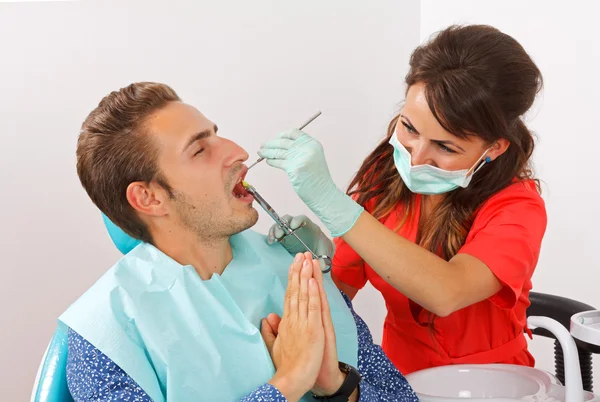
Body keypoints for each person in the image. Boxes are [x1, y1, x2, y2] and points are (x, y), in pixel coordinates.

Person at [62, 81, 418, 402]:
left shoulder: (296, 270)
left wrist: (336, 386)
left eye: (217, 135)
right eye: (200, 150)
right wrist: (289, 383)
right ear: (149, 198)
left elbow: (401, 398)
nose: (238, 152)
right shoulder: (106, 333)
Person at [257, 24, 548, 375]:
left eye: (445, 147)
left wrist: (333, 205)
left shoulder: (518, 206)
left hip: (492, 384)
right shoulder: (384, 179)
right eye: (409, 128)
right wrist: (319, 263)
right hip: (398, 378)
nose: (416, 157)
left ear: (494, 148)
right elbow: (341, 293)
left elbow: (447, 292)